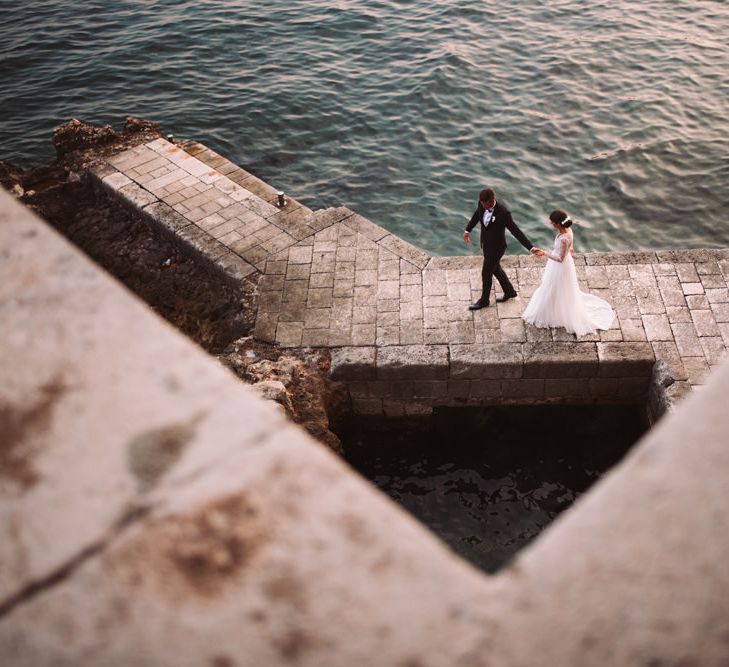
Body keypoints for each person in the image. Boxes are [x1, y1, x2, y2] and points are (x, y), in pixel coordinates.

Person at [522, 209, 615, 337]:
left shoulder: (563, 239)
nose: (551, 224)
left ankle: (551, 313)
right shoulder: (569, 231)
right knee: (558, 288)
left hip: (559, 266)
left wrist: (545, 252)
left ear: (558, 224)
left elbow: (560, 259)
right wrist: (568, 250)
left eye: (552, 222)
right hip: (566, 264)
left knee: (552, 287)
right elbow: (570, 248)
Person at [463, 188, 539, 310]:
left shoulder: (503, 213)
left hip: (497, 248)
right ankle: (510, 291)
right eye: (481, 203)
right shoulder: (481, 204)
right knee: (496, 269)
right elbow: (477, 215)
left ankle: (484, 301)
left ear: (491, 201)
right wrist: (468, 230)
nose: (482, 206)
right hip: (486, 245)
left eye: (484, 204)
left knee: (486, 272)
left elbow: (516, 231)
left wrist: (530, 247)